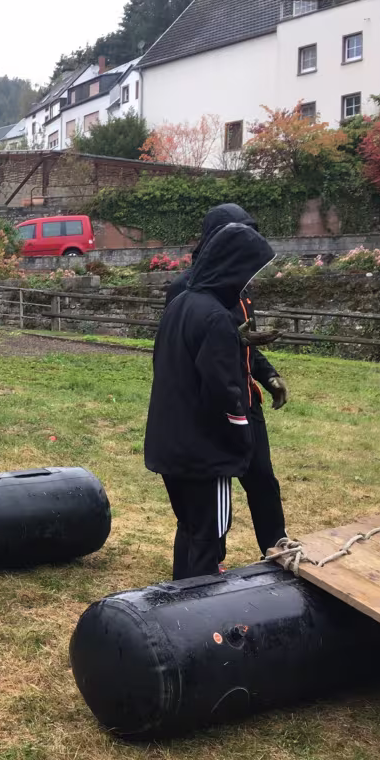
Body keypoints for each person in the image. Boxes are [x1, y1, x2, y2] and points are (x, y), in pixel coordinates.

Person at [145, 223, 275, 580]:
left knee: (188, 527)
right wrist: (241, 436)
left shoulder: (180, 305)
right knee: (209, 535)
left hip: (169, 444)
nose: (248, 283)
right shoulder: (216, 318)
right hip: (204, 456)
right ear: (234, 269)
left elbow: (165, 366)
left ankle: (178, 604)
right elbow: (225, 392)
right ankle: (198, 617)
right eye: (248, 273)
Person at [166, 204, 288, 556]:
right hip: (213, 402)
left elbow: (242, 343)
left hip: (245, 397)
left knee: (262, 476)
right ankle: (205, 556)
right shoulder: (186, 289)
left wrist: (269, 376)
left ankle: (275, 545)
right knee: (207, 499)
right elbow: (191, 346)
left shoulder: (239, 287)